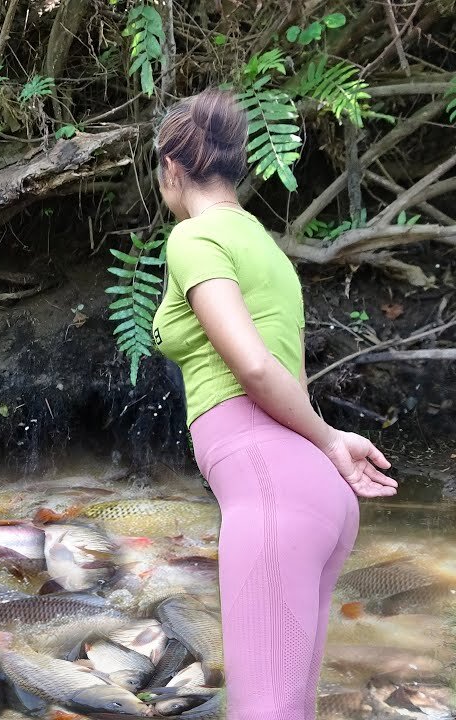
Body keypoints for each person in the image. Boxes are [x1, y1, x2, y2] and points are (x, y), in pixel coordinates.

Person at [149, 90, 397, 717]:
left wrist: (329, 437)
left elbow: (256, 368)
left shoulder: (194, 238)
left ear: (173, 168)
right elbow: (284, 368)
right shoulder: (262, 243)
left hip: (270, 486)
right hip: (315, 494)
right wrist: (327, 444)